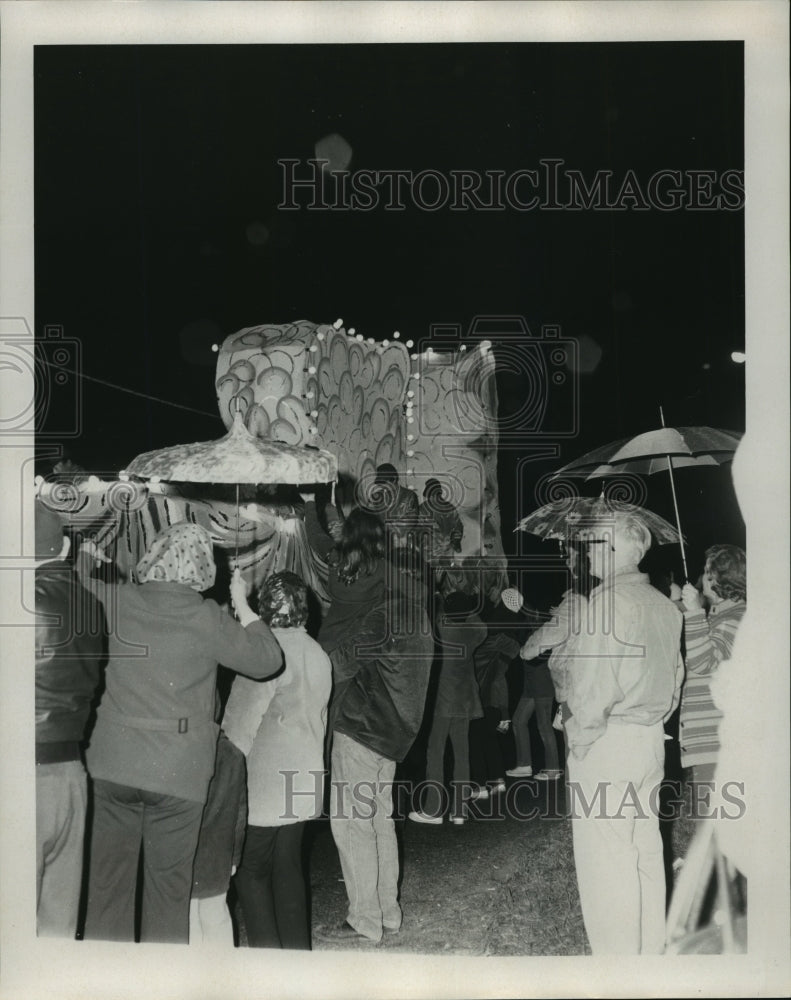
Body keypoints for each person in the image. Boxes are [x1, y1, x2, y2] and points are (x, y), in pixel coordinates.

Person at [78, 523, 283, 944]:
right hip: (179, 774)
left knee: (105, 891)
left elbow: (74, 585)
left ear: (152, 556)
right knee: (168, 896)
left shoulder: (114, 600)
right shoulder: (208, 619)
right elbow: (267, 660)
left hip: (112, 765)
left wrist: (85, 556)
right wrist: (243, 604)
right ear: (204, 568)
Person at [562, 513, 684, 954]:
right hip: (651, 740)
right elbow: (675, 681)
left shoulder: (604, 603)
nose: (587, 552)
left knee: (607, 861)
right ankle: (649, 955)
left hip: (609, 743)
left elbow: (593, 687)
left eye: (593, 544)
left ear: (612, 551)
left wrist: (580, 740)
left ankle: (618, 968)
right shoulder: (666, 606)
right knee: (645, 853)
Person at [321, 549, 433, 943]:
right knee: (380, 821)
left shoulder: (387, 613)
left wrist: (307, 655)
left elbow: (344, 662)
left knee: (353, 824)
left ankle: (364, 918)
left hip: (363, 728)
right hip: (395, 735)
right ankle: (387, 911)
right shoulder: (420, 616)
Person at [223, 571, 332, 949]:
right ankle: (297, 959)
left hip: (266, 785)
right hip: (304, 779)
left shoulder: (265, 655)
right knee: (289, 867)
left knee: (251, 871)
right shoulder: (318, 653)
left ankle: (268, 967)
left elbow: (237, 730)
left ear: (266, 606)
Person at [34, 500, 104, 938]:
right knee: (58, 929)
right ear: (63, 546)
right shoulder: (91, 605)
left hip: (22, 777)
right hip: (71, 775)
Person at [512, 543, 595, 780]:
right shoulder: (596, 595)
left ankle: (575, 814)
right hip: (592, 680)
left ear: (583, 561)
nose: (566, 561)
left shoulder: (577, 599)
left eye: (570, 556)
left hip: (574, 682)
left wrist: (527, 650)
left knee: (575, 755)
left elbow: (554, 632)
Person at [409, 590, 488, 824]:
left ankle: (434, 809)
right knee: (462, 754)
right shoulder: (474, 631)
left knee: (436, 751)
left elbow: (435, 613)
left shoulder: (443, 628)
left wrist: (440, 597)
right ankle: (460, 811)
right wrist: (469, 608)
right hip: (464, 700)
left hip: (443, 700)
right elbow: (480, 624)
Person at [678, 545, 746, 787]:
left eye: (707, 570)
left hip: (719, 737)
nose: (702, 576)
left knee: (714, 817)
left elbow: (704, 662)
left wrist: (695, 612)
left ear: (719, 577)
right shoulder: (719, 616)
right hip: (712, 736)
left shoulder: (736, 618)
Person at [189, 731, 247, 946]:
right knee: (217, 916)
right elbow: (240, 813)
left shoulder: (184, 748)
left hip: (188, 852)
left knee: (188, 919)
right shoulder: (233, 754)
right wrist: (235, 856)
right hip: (219, 854)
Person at [367, 463, 419, 548]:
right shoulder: (375, 497)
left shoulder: (409, 496)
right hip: (382, 543)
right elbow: (369, 520)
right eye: (380, 483)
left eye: (385, 482)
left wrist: (387, 528)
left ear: (394, 479)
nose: (382, 486)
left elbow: (410, 521)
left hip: (402, 543)